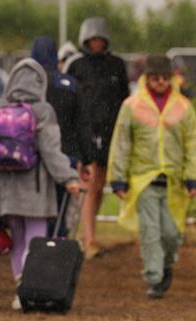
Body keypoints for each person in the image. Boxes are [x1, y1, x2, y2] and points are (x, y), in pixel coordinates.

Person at [0, 58, 82, 310]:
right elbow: (51, 151)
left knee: (18, 240)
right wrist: (69, 177)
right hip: (35, 190)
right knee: (35, 238)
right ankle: (31, 290)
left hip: (3, 188)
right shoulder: (43, 111)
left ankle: (21, 291)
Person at [108, 55, 196, 298]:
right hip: (144, 180)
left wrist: (193, 176)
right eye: (155, 78)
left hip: (174, 181)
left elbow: (194, 143)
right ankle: (154, 278)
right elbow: (121, 142)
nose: (160, 82)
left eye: (165, 77)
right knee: (150, 231)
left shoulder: (183, 106)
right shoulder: (131, 106)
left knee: (171, 233)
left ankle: (166, 265)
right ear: (147, 78)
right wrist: (118, 178)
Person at [64, 17, 130, 259]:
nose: (97, 43)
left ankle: (88, 234)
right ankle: (88, 238)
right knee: (89, 184)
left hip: (110, 132)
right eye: (93, 39)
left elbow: (124, 99)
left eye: (100, 39)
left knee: (99, 186)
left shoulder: (116, 65)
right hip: (85, 132)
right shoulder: (76, 66)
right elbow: (69, 99)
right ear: (85, 40)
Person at [31, 36, 92, 238]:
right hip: (66, 158)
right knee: (61, 212)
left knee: (35, 213)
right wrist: (87, 159)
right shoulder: (71, 85)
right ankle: (56, 245)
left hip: (33, 160)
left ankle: (33, 247)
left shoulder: (27, 86)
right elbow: (83, 124)